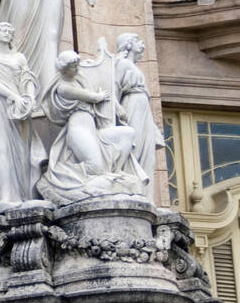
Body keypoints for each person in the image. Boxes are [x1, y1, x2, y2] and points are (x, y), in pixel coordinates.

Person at [37, 50, 147, 205]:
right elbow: (94, 97)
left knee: (128, 134)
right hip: (78, 129)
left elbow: (101, 90)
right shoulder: (63, 88)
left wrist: (115, 105)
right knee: (95, 167)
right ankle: (65, 176)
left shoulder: (79, 80)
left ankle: (115, 172)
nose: (77, 68)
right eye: (73, 66)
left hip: (92, 129)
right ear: (64, 68)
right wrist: (99, 95)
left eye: (77, 65)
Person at [0, 22, 45, 207]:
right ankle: (5, 196)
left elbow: (27, 78)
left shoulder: (19, 57)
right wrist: (13, 96)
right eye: (3, 30)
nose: (7, 33)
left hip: (19, 107)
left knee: (22, 149)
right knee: (1, 148)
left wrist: (28, 98)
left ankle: (24, 194)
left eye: (10, 31)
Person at [115, 32, 164, 201]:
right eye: (137, 41)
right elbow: (113, 88)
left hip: (143, 107)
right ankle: (131, 189)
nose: (142, 44)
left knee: (147, 151)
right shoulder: (121, 64)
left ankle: (145, 195)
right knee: (135, 146)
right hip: (132, 105)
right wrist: (116, 107)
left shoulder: (133, 66)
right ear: (128, 44)